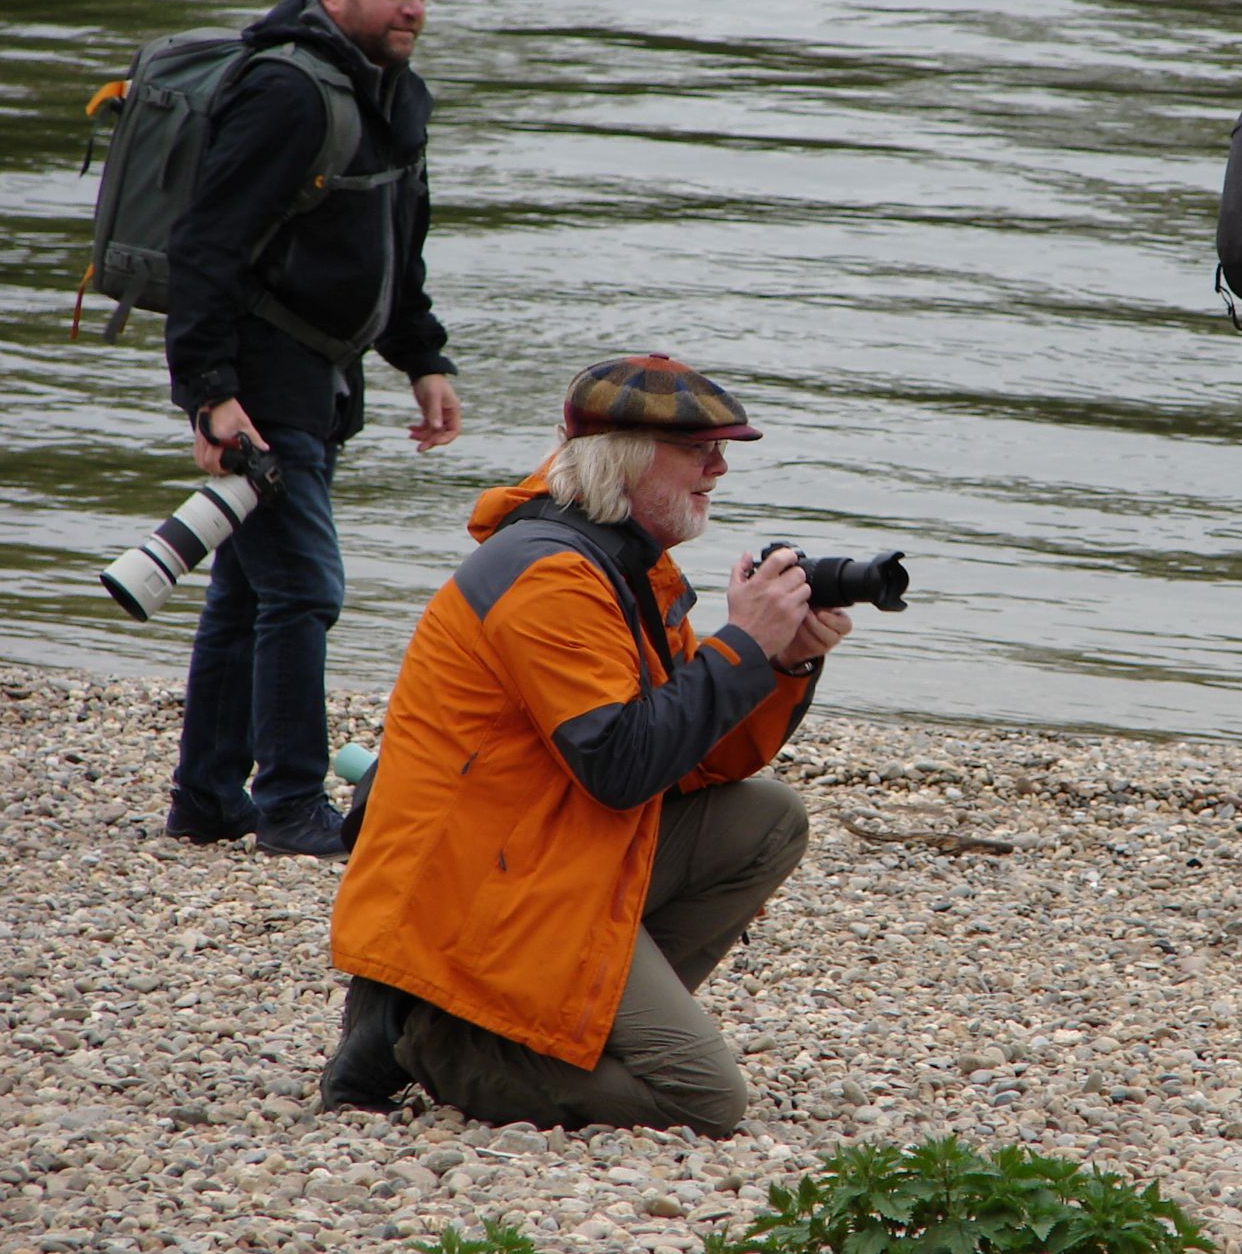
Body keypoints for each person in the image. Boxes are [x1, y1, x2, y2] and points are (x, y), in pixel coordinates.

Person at [320, 353, 850, 1133]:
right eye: (699, 450)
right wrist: (740, 645)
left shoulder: (625, 566)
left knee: (765, 819)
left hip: (536, 854)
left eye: (721, 449)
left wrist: (782, 661)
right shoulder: (549, 576)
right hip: (474, 891)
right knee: (701, 1099)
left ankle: (543, 1020)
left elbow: (694, 761)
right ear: (624, 459)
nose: (719, 467)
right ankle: (431, 1035)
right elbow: (621, 767)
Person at [161, 0, 462, 859]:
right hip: (262, 378)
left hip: (322, 380)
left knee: (248, 594)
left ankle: (209, 797)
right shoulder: (287, 93)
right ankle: (291, 803)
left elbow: (395, 246)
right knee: (303, 587)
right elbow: (205, 245)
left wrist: (423, 357)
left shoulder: (394, 94)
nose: (413, 8)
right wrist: (209, 390)